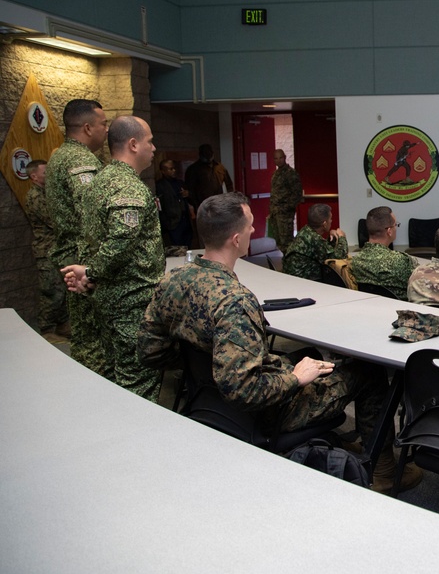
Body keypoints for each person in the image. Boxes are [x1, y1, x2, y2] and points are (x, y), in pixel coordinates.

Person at [137, 192, 421, 492]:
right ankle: (385, 473)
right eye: (249, 227)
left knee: (310, 353)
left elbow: (149, 351)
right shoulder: (235, 301)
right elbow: (243, 389)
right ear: (236, 239)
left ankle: (357, 435)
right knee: (368, 371)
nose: (252, 231)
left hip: (207, 401)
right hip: (265, 411)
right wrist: (295, 379)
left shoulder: (172, 281)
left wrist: (205, 367)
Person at [62, 116, 166, 401]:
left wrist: (89, 273)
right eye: (150, 141)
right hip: (131, 303)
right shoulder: (128, 187)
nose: (154, 148)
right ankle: (139, 440)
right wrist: (91, 273)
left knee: (115, 375)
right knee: (138, 383)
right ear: (133, 144)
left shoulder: (101, 180)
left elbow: (92, 238)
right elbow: (121, 240)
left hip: (109, 300)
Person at [45, 98, 109, 378]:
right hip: (83, 262)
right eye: (103, 124)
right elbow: (91, 212)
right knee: (93, 335)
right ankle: (98, 386)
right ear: (87, 127)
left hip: (70, 256)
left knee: (83, 332)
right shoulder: (80, 161)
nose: (106, 130)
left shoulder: (59, 155)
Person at [23, 160, 69, 339]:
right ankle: (47, 329)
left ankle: (63, 325)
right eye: (44, 172)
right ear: (34, 176)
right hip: (46, 250)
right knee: (51, 291)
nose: (48, 174)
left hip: (55, 249)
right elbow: (54, 220)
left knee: (62, 289)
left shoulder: (46, 193)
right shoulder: (35, 196)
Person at [351, 206, 418, 300]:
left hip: (368, 309)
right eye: (396, 225)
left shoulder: (355, 261)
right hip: (399, 311)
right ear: (389, 231)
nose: (396, 228)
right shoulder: (402, 261)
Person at [282, 203, 348, 282]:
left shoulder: (306, 231)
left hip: (293, 279)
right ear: (324, 224)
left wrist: (333, 238)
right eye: (330, 219)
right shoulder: (314, 239)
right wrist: (342, 237)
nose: (331, 221)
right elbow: (338, 257)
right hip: (303, 283)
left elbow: (324, 252)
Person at [269, 148, 303, 254]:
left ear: (285, 158)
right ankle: (286, 262)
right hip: (275, 213)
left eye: (280, 158)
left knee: (287, 241)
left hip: (285, 214)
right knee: (279, 240)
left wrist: (286, 208)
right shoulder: (275, 174)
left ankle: (291, 265)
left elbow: (297, 194)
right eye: (276, 158)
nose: (278, 160)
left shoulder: (291, 174)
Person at [155, 159, 194, 246]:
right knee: (176, 248)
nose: (174, 171)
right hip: (172, 223)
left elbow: (191, 199)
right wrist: (165, 223)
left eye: (174, 168)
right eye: (170, 169)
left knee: (188, 245)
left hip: (185, 220)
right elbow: (159, 207)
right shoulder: (160, 185)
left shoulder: (180, 182)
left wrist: (188, 194)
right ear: (163, 171)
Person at [184, 143, 233, 211]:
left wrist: (229, 199)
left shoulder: (220, 167)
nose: (208, 159)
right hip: (202, 204)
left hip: (218, 203)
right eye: (206, 157)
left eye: (209, 156)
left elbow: (229, 184)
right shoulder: (193, 169)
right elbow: (190, 189)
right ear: (200, 155)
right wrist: (195, 203)